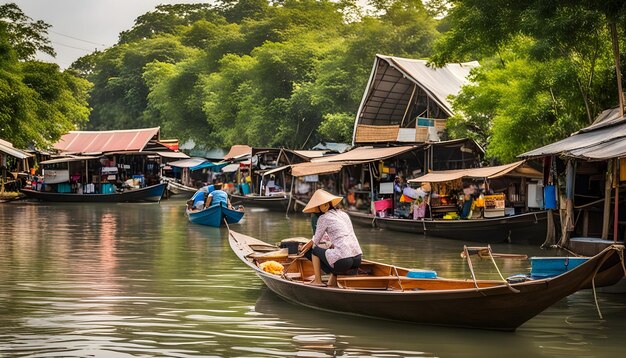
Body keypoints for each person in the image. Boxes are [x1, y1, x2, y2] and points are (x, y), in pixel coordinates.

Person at [299, 189, 363, 287]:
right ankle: (332, 284)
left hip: (344, 261)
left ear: (326, 205)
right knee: (333, 253)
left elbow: (316, 241)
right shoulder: (343, 214)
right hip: (357, 258)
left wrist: (305, 248)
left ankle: (317, 281)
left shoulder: (323, 218)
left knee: (315, 251)